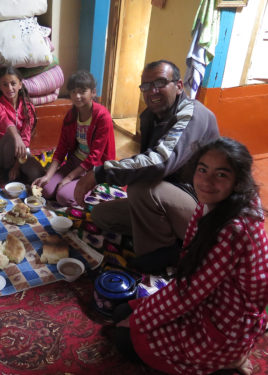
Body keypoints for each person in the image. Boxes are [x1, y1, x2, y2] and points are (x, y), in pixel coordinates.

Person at [112, 137, 268, 375]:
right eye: (202, 169)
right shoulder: (218, 203)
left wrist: (139, 320)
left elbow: (188, 292)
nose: (206, 181)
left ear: (238, 181)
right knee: (122, 311)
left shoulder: (233, 229)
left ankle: (224, 363)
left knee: (124, 335)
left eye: (221, 174)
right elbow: (192, 276)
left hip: (223, 324)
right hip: (209, 300)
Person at [74, 60, 219, 268]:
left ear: (179, 86)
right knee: (101, 215)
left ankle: (161, 257)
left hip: (201, 208)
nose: (153, 91)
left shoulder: (192, 114)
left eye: (160, 83)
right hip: (169, 198)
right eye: (146, 86)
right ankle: (172, 238)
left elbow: (158, 163)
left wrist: (99, 173)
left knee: (141, 188)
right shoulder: (150, 117)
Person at [32, 70, 115, 207]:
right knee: (45, 190)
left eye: (82, 91)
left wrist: (68, 178)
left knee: (62, 196)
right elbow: (61, 149)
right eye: (73, 92)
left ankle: (93, 185)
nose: (77, 96)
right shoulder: (71, 116)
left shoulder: (102, 117)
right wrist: (48, 176)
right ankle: (69, 184)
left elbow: (95, 157)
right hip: (75, 161)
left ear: (93, 92)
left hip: (94, 168)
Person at [0, 66, 44, 183]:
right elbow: (4, 120)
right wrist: (16, 136)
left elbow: (26, 138)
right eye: (5, 84)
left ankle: (15, 172)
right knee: (11, 135)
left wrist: (16, 166)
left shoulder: (28, 107)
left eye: (13, 83)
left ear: (20, 84)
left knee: (37, 173)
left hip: (21, 151)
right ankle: (6, 174)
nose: (9, 88)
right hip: (0, 153)